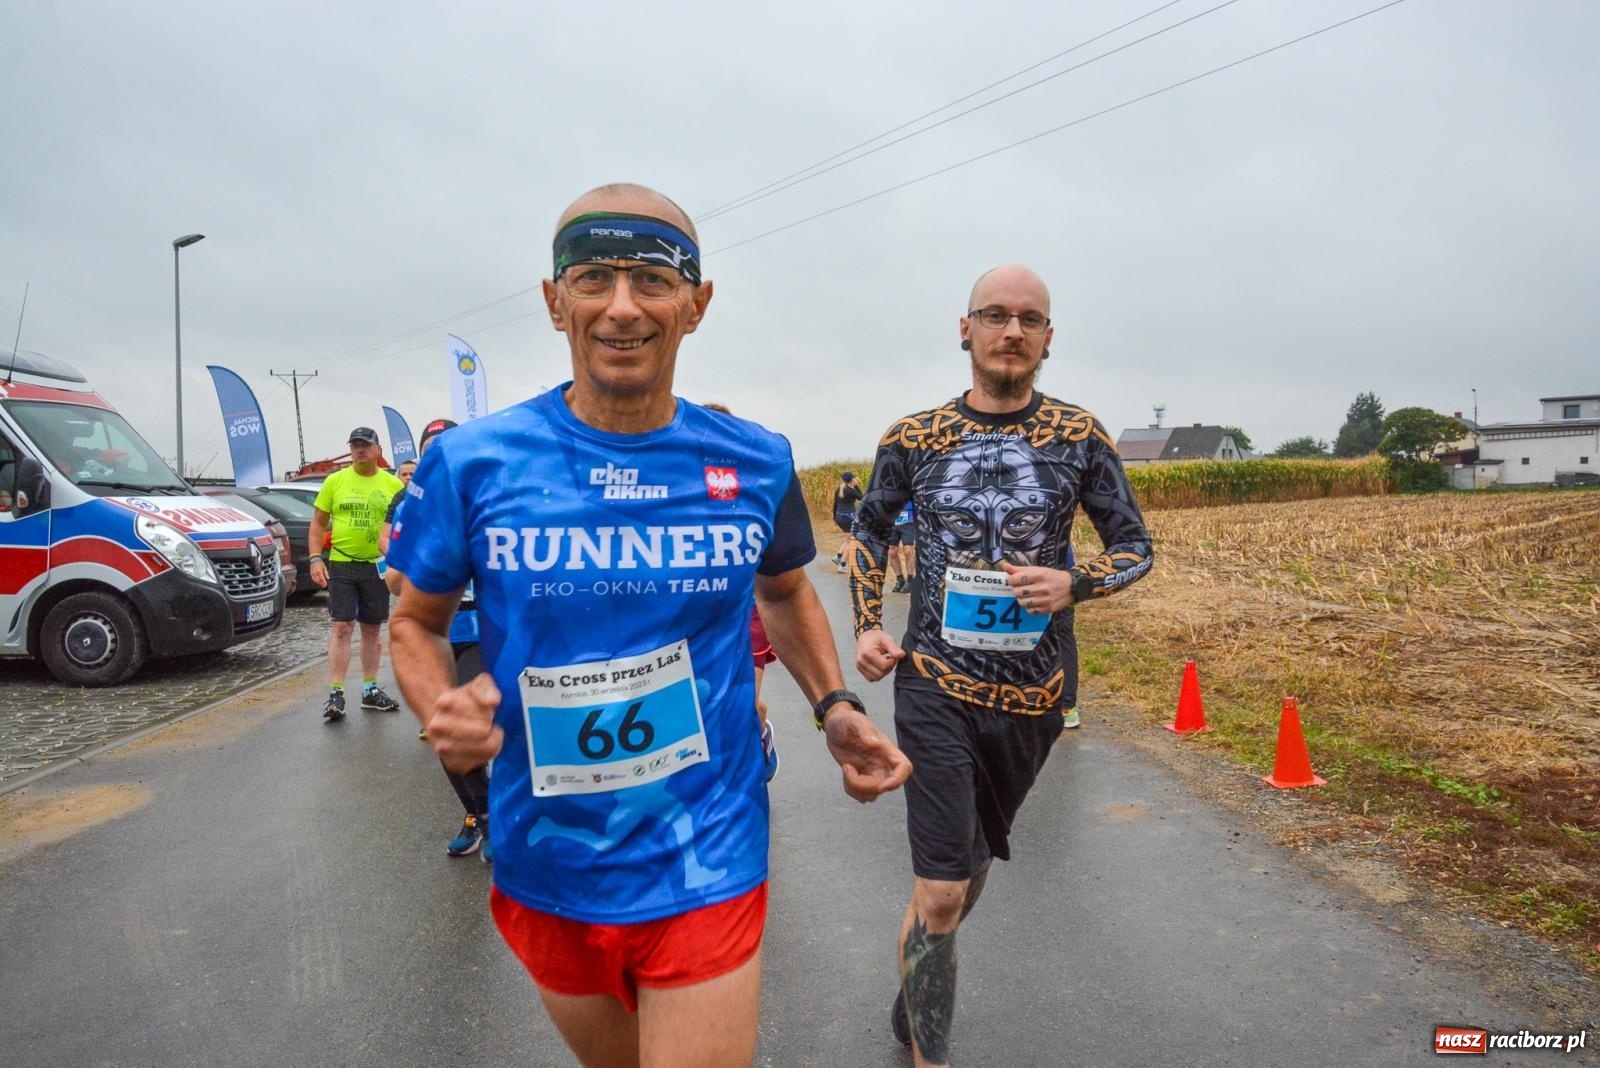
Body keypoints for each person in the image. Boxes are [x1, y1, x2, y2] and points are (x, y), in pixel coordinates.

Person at [387, 182, 911, 1068]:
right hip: (545, 853)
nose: (621, 307)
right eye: (593, 278)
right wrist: (439, 702)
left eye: (653, 280)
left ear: (696, 305)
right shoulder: (472, 464)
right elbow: (414, 621)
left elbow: (783, 592)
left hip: (707, 844)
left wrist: (836, 706)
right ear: (555, 302)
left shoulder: (755, 460)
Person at [850, 264, 1154, 1067]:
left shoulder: (1080, 436)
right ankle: (930, 1055)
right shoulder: (911, 438)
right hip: (934, 684)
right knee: (945, 888)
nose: (1011, 331)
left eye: (1029, 319)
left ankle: (919, 976)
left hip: (1037, 693)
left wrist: (1074, 582)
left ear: (1048, 337)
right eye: (995, 315)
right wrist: (868, 625)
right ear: (966, 328)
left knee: (972, 864)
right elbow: (869, 533)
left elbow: (1136, 549)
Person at [383, 418, 490, 856]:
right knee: (445, 727)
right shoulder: (410, 506)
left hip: (485, 630)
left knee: (481, 726)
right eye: (430, 449)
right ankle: (481, 816)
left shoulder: (485, 495)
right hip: (438, 632)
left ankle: (500, 817)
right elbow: (393, 579)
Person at [307, 427, 406, 721]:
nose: (360, 450)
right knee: (342, 626)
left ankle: (370, 690)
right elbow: (317, 524)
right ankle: (336, 693)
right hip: (342, 562)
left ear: (378, 450)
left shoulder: (392, 484)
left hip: (377, 565)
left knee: (372, 630)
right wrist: (315, 559)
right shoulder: (335, 481)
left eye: (366, 445)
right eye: (355, 446)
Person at [831, 470, 863, 571]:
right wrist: (857, 486)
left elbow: (835, 504)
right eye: (854, 478)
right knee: (852, 540)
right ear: (851, 480)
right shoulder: (850, 490)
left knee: (848, 538)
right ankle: (843, 565)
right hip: (849, 516)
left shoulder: (839, 489)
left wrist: (835, 518)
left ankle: (838, 556)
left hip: (840, 516)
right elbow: (861, 497)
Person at [888, 500, 916, 593]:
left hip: (908, 518)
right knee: (891, 551)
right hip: (892, 517)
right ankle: (900, 579)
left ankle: (910, 579)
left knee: (908, 550)